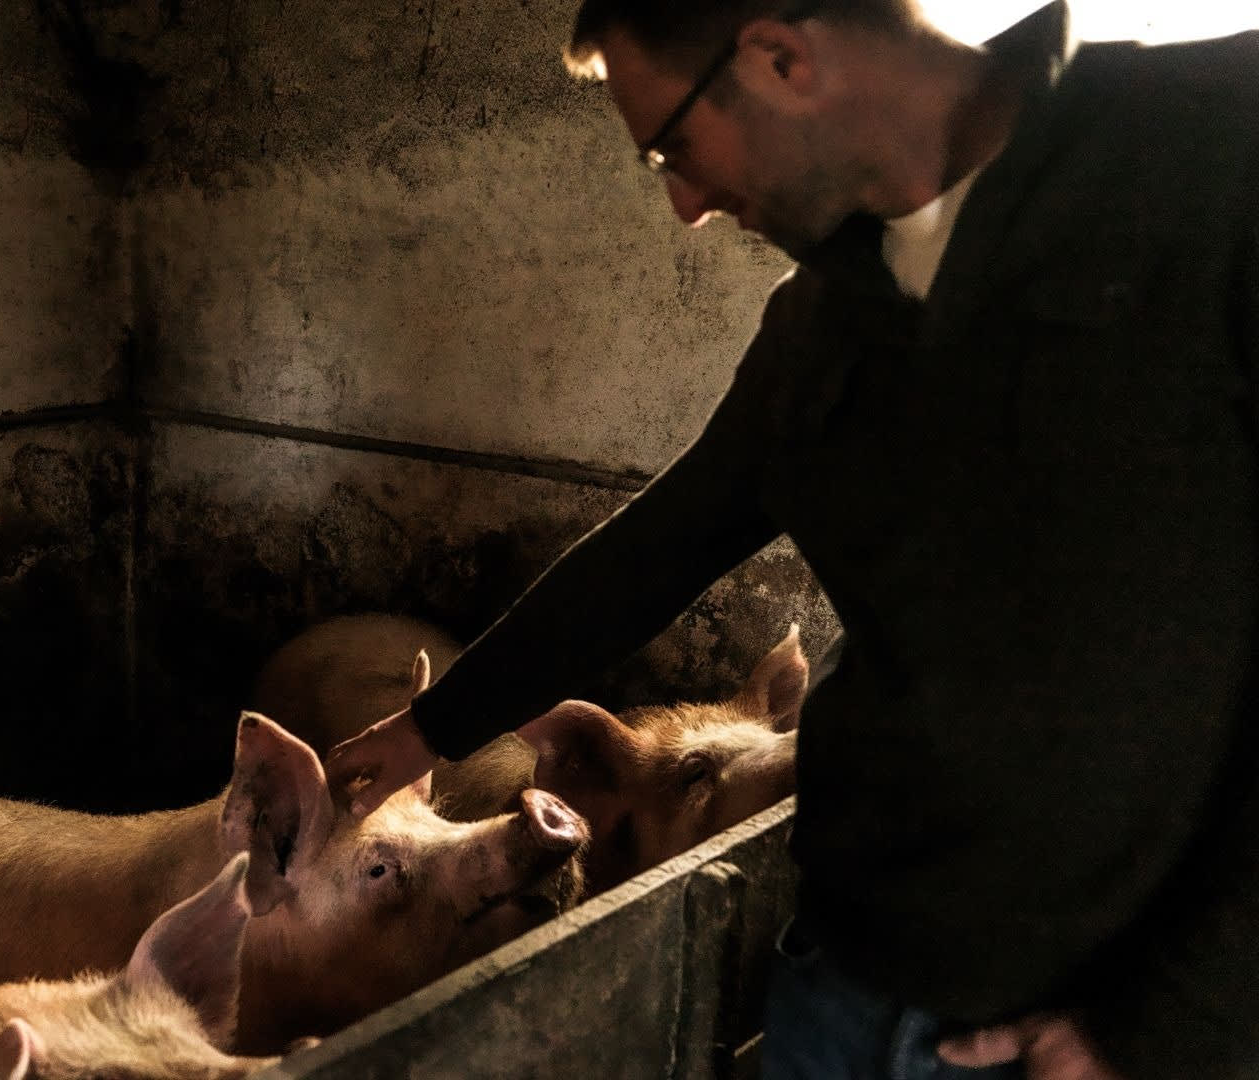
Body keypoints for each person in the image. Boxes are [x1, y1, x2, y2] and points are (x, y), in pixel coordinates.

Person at [323, 1, 1259, 1077]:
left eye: (673, 146)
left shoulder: (1212, 157)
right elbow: (665, 543)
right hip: (846, 967)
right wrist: (433, 726)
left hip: (1090, 1011)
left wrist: (1174, 1019)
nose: (685, 204)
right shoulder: (820, 318)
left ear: (778, 56)